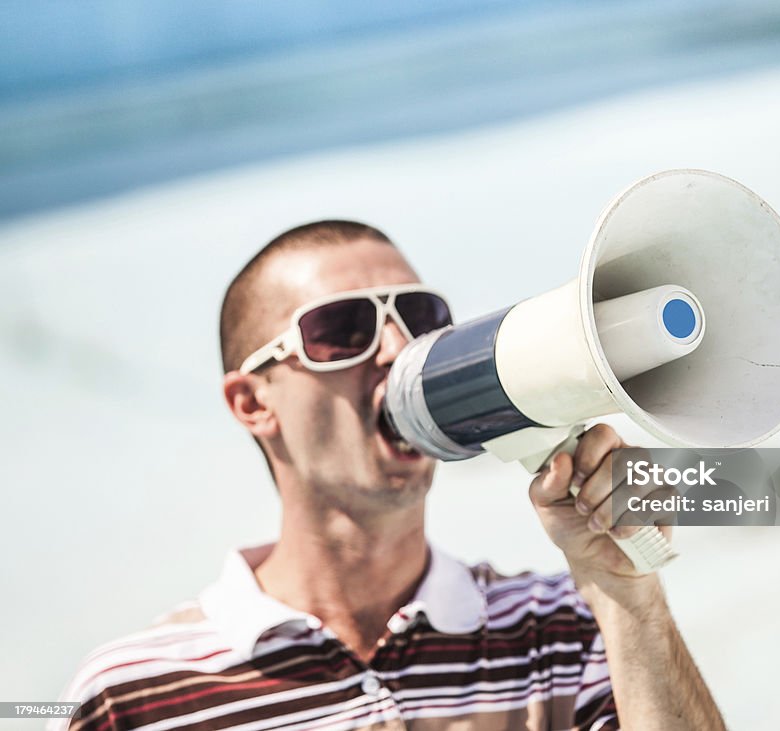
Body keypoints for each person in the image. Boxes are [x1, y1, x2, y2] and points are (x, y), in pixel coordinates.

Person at [53, 221, 724, 730]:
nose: (400, 350)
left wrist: (628, 597)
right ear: (252, 401)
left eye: (421, 318)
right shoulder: (132, 693)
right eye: (343, 329)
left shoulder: (564, 629)